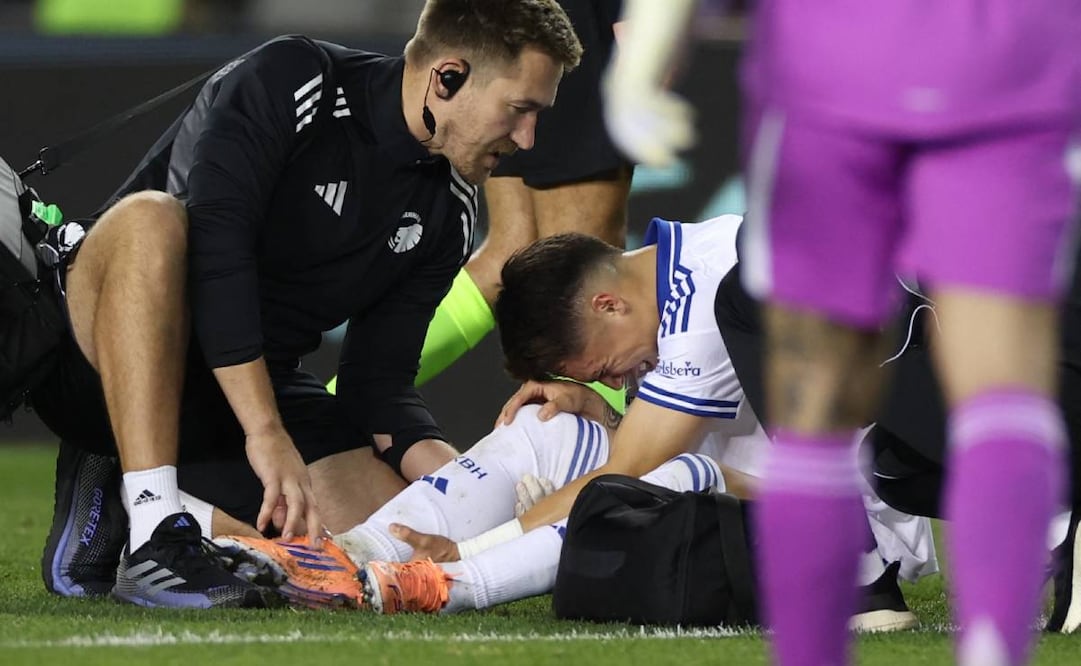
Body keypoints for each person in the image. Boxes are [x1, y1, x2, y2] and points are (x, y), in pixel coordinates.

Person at [34, 0, 583, 609]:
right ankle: (146, 509)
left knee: (378, 550)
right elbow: (219, 258)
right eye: (520, 110)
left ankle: (127, 499)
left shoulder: (449, 210)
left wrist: (468, 482)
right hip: (99, 358)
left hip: (244, 390)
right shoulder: (296, 80)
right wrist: (266, 432)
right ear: (446, 77)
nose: (528, 139)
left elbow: (379, 387)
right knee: (153, 220)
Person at [221, 215, 936, 631]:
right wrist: (598, 407)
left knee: (668, 473)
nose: (614, 380)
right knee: (547, 424)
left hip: (857, 522)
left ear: (605, 306)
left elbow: (624, 472)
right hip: (761, 480)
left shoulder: (706, 300)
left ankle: (445, 584)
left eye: (599, 369)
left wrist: (471, 551)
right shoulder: (680, 263)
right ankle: (346, 550)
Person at [325, 0, 632, 413]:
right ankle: (600, 457)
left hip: (518, 19)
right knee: (589, 268)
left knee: (509, 253)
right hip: (576, 23)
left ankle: (332, 401)